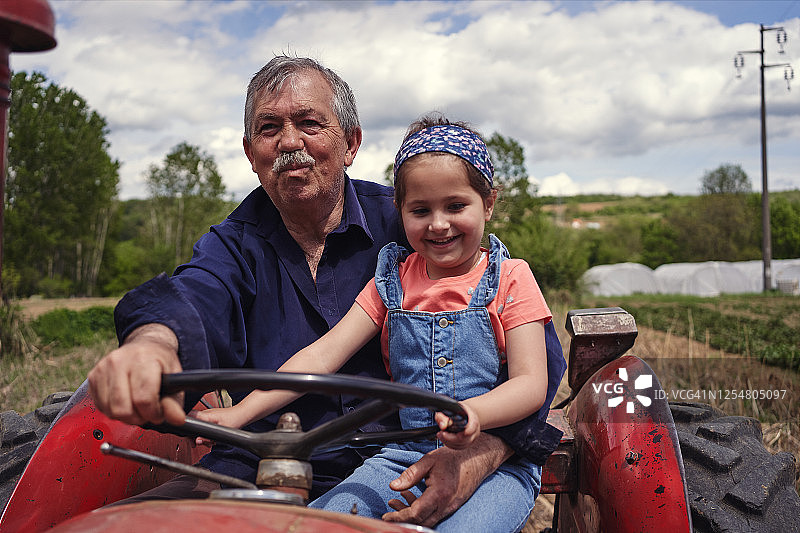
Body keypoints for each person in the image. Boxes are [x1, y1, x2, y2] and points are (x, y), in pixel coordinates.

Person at [87, 56, 566, 528]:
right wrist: (153, 343)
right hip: (262, 463)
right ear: (252, 154)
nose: (290, 142)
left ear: (351, 143)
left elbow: (530, 368)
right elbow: (194, 297)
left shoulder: (412, 228)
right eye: (269, 127)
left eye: (310, 123)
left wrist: (483, 451)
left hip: (398, 454)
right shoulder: (231, 248)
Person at [196, 114, 556, 532]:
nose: (438, 224)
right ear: (399, 212)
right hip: (402, 454)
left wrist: (471, 412)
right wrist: (240, 413)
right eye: (420, 210)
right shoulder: (391, 282)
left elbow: (531, 384)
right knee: (319, 524)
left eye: (456, 206)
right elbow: (321, 356)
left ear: (488, 203)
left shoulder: (511, 278)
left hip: (494, 467)